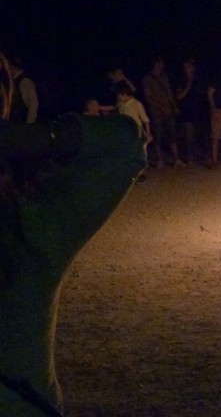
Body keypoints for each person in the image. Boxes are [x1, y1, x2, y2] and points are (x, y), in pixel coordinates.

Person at [0, 113, 146, 416]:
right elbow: (125, 145)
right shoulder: (32, 232)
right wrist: (31, 138)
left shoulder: (27, 230)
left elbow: (126, 143)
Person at [142, 56, 184, 168]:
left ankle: (176, 159)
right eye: (161, 63)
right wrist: (161, 107)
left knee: (172, 134)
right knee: (158, 135)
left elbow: (169, 92)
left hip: (168, 110)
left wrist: (174, 106)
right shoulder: (147, 78)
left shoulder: (164, 76)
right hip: (156, 112)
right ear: (156, 64)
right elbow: (148, 97)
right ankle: (159, 159)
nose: (163, 65)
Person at [175, 58, 207, 164]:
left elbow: (203, 94)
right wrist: (188, 85)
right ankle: (189, 157)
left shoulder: (199, 79)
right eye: (187, 67)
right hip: (186, 110)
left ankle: (199, 155)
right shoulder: (181, 80)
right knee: (189, 134)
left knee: (199, 134)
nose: (189, 69)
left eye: (191, 66)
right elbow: (179, 96)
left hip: (199, 110)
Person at [7, 56, 38, 124]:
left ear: (12, 67)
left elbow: (33, 103)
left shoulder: (25, 81)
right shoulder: (11, 81)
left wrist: (29, 123)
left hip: (20, 122)